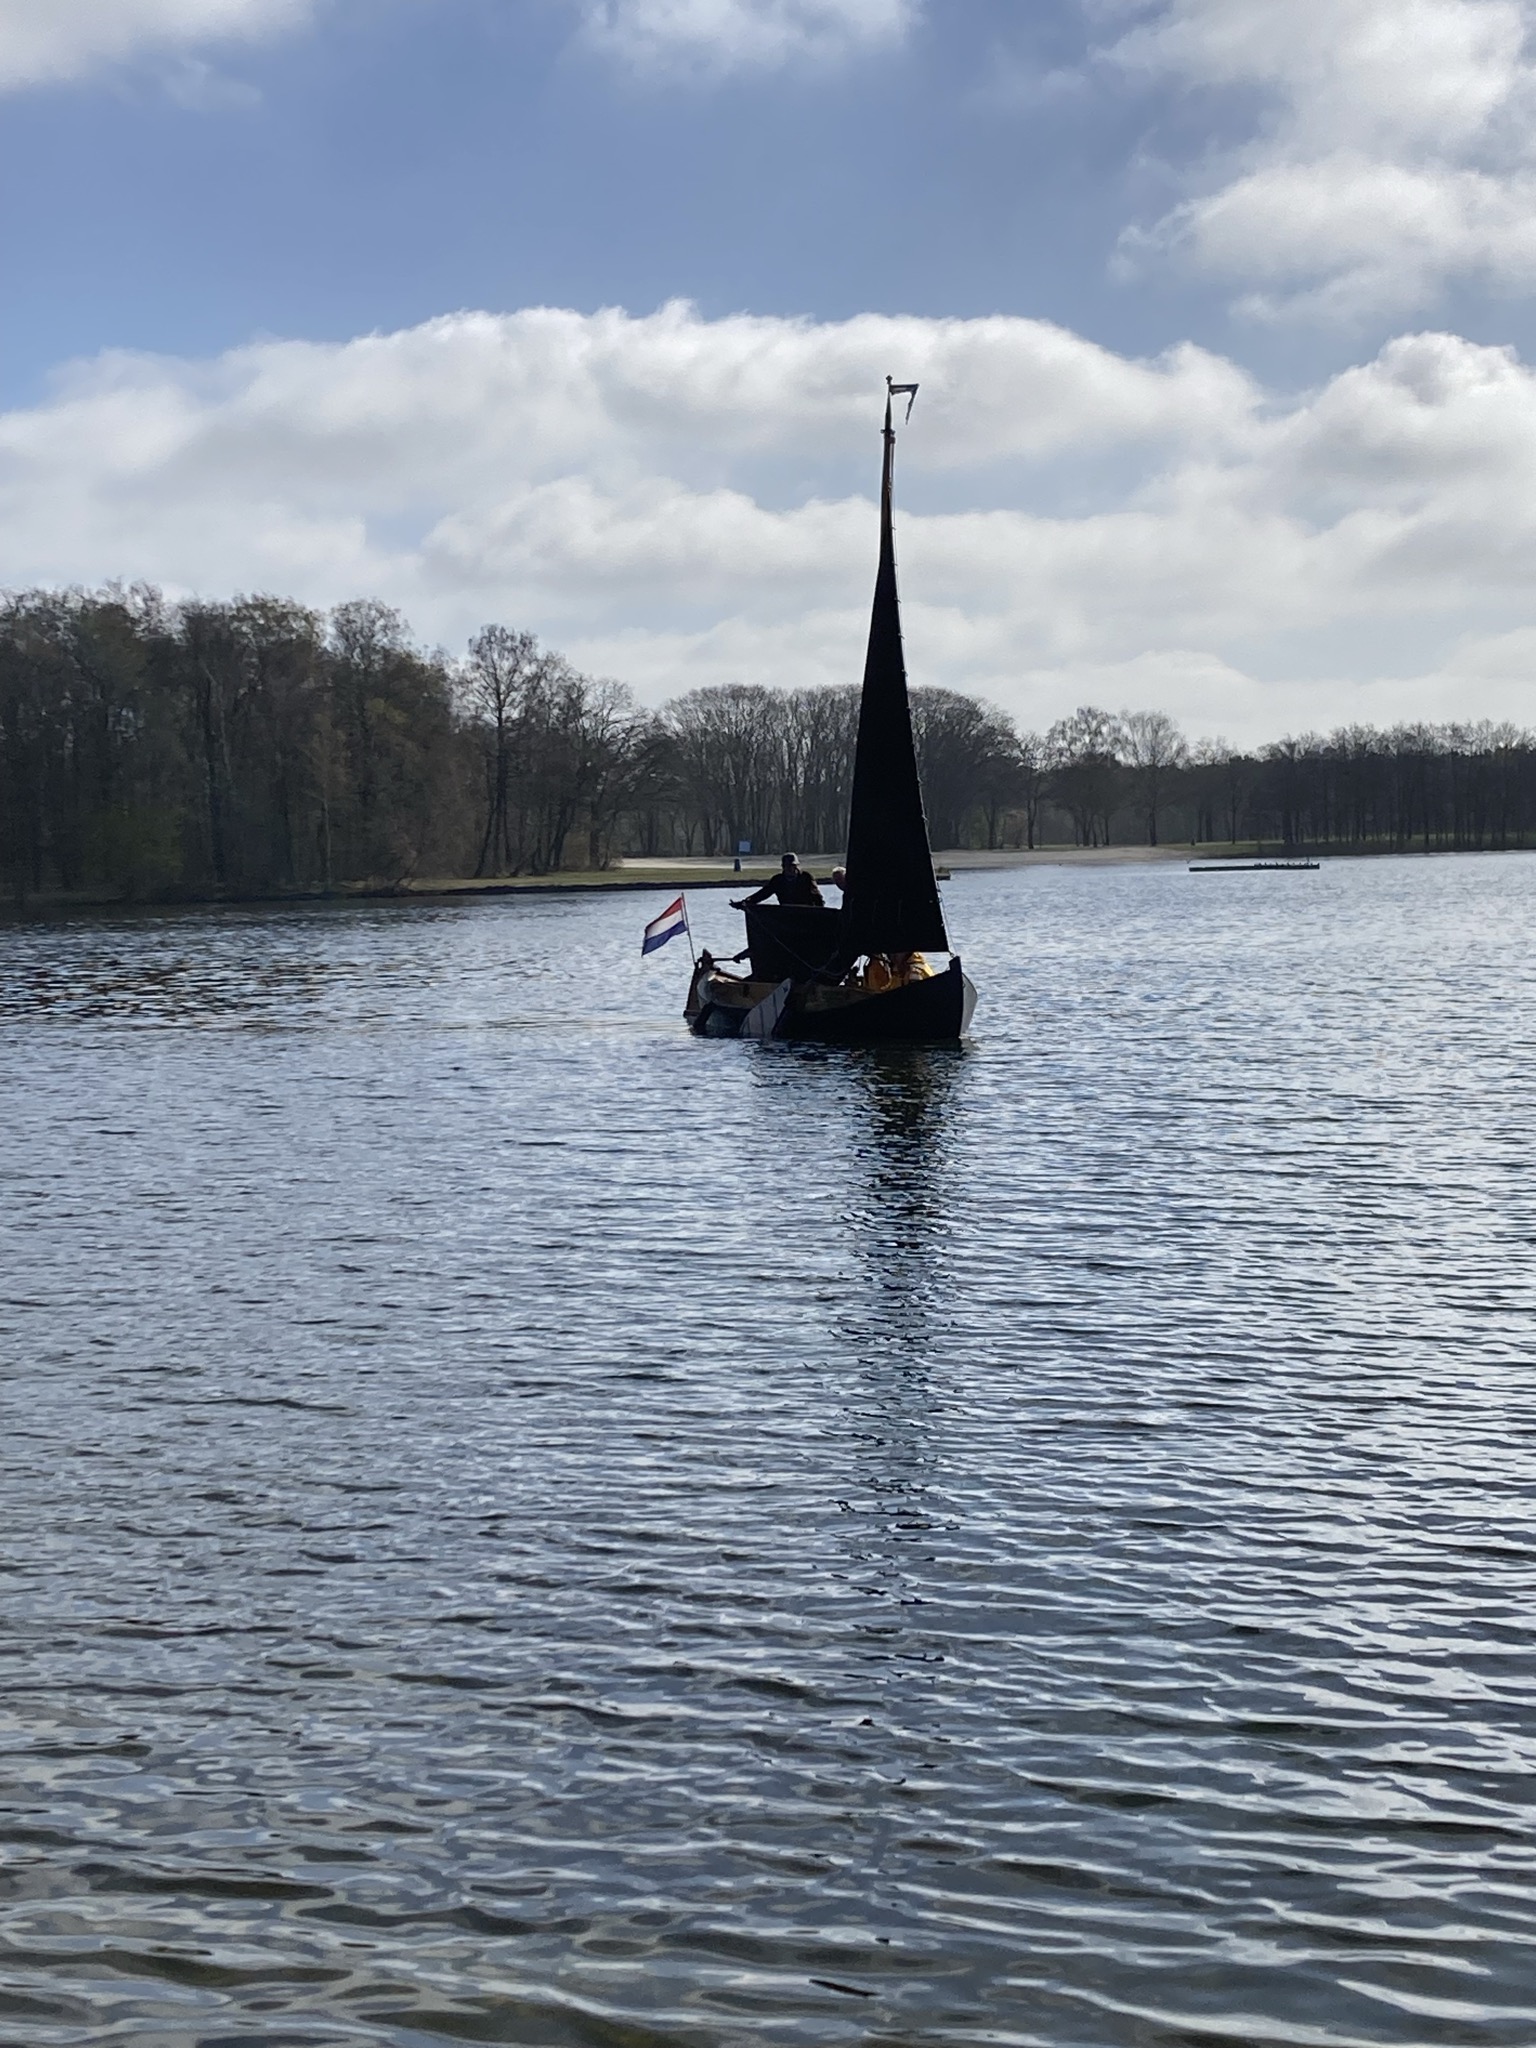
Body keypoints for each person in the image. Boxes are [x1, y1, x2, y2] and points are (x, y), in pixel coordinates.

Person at [732, 853, 825, 911]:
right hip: (786, 913)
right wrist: (745, 903)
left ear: (796, 866)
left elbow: (817, 898)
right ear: (783, 866)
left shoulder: (806, 878)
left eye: (792, 866)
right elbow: (762, 894)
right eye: (787, 866)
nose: (789, 868)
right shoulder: (778, 880)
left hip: (806, 913)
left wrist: (821, 911)